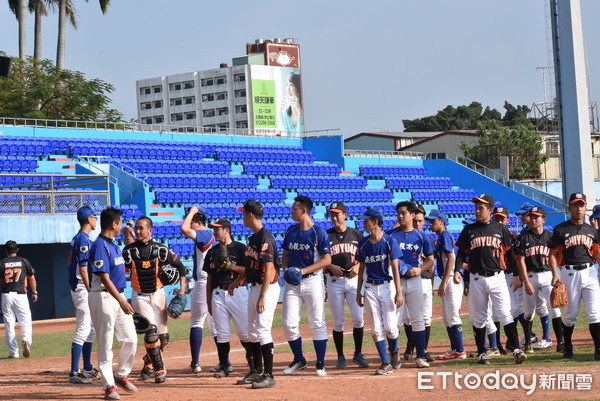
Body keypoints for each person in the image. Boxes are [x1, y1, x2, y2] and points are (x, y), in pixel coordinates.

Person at [453, 193, 527, 365]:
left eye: (481, 208)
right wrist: (457, 270)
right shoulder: (469, 230)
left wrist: (516, 275)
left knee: (504, 314)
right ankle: (481, 352)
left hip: (497, 277)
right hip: (476, 278)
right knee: (478, 317)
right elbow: (460, 253)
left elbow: (510, 253)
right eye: (476, 207)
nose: (477, 211)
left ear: (490, 210)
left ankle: (516, 350)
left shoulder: (500, 229)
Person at [123, 216, 187, 383]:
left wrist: (181, 292)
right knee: (151, 333)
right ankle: (160, 369)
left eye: (141, 228)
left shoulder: (161, 250)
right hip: (139, 295)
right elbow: (119, 270)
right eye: (136, 228)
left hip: (158, 293)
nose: (138, 231)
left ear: (150, 230)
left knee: (163, 339)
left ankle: (148, 362)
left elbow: (181, 267)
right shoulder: (129, 251)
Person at [88, 206, 138, 400]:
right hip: (103, 296)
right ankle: (108, 386)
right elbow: (104, 278)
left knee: (131, 339)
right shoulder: (99, 245)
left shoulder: (114, 244)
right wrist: (122, 301)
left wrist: (122, 299)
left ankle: (121, 375)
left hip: (118, 295)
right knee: (106, 343)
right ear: (114, 224)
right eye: (120, 222)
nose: (122, 225)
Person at [281, 196, 331, 376]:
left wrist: (302, 271)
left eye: (294, 209)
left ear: (303, 211)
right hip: (292, 283)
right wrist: (286, 269)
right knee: (288, 323)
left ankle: (320, 362)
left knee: (317, 321)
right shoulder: (291, 231)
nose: (291, 211)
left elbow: (327, 260)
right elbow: (285, 254)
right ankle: (299, 359)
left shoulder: (318, 232)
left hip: (312, 280)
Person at [548, 193, 600, 360]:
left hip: (590, 271)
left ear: (586, 208)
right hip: (569, 272)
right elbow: (552, 253)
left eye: (581, 205)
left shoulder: (592, 230)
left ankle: (598, 349)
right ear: (569, 207)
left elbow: (597, 252)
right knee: (571, 314)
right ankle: (568, 345)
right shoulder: (561, 229)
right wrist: (555, 273)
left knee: (595, 313)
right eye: (575, 205)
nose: (578, 209)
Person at [235, 200, 281, 389]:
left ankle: (269, 375)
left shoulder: (265, 238)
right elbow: (251, 266)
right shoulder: (253, 238)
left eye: (244, 213)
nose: (242, 216)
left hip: (266, 288)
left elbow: (269, 268)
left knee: (262, 330)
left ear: (251, 215)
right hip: (254, 287)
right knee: (251, 330)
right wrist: (234, 282)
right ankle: (257, 371)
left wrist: (263, 295)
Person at [355, 206, 403, 375]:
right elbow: (361, 269)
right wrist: (358, 291)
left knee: (390, 326)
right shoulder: (363, 243)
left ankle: (394, 351)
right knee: (376, 328)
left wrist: (399, 290)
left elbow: (395, 268)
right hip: (370, 287)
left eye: (366, 220)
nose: (364, 223)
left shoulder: (389, 241)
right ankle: (385, 362)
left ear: (375, 222)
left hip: (387, 286)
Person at [203, 218, 252, 378]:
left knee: (244, 332)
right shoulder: (212, 252)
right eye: (214, 229)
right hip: (217, 293)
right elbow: (209, 278)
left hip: (237, 292)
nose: (215, 231)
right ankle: (224, 366)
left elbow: (249, 271)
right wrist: (208, 300)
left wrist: (231, 266)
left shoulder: (240, 248)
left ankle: (253, 363)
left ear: (226, 230)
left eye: (217, 229)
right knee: (222, 333)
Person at [386, 201, 434, 368]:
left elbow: (430, 260)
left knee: (418, 319)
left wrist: (420, 269)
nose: (400, 216)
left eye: (404, 213)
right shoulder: (390, 235)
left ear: (413, 215)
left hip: (415, 281)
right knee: (393, 321)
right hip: (395, 281)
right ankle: (394, 354)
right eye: (398, 213)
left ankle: (420, 356)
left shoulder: (421, 236)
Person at [514, 206, 564, 353]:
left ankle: (560, 341)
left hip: (548, 274)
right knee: (529, 312)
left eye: (537, 217)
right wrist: (526, 280)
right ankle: (528, 342)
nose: (534, 219)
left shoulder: (551, 236)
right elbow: (520, 261)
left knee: (555, 309)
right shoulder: (523, 237)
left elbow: (554, 256)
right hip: (531, 276)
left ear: (544, 219)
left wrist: (556, 274)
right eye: (532, 216)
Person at [325, 202, 369, 368]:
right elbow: (320, 257)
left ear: (345, 215)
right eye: (332, 214)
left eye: (338, 214)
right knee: (338, 321)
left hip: (353, 281)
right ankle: (340, 356)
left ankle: (358, 353)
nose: (335, 217)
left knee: (358, 318)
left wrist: (358, 266)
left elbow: (364, 256)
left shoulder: (357, 234)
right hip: (334, 281)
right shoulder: (326, 235)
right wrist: (330, 266)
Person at [180, 206, 220, 373]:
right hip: (215, 282)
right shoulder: (214, 237)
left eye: (193, 222)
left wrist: (192, 212)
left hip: (204, 282)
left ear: (198, 222)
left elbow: (184, 229)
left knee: (197, 322)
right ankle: (225, 361)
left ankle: (195, 363)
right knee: (215, 324)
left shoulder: (204, 234)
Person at [426, 210, 466, 360]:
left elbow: (451, 258)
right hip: (447, 278)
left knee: (453, 315)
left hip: (449, 279)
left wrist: (443, 282)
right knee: (447, 317)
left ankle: (460, 350)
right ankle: (455, 348)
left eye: (433, 221)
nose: (430, 223)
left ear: (441, 221)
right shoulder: (442, 237)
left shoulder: (445, 236)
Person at [67, 206, 100, 384]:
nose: (96, 220)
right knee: (83, 328)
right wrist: (89, 288)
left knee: (91, 329)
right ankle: (74, 371)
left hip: (81, 285)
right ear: (88, 219)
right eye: (94, 217)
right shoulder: (83, 239)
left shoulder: (79, 238)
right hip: (81, 286)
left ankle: (87, 367)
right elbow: (83, 267)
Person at [515, 202, 549, 349]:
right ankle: (531, 336)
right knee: (528, 308)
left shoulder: (545, 235)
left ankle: (546, 338)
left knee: (543, 306)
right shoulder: (523, 234)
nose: (523, 217)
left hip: (542, 273)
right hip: (529, 275)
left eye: (525, 214)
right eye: (523, 215)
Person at [1, 240, 37, 359]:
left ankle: (14, 353)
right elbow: (31, 278)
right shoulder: (23, 261)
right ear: (17, 250)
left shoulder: (2, 262)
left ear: (6, 251)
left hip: (6, 295)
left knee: (9, 324)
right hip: (21, 294)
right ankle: (26, 340)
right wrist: (35, 292)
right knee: (25, 320)